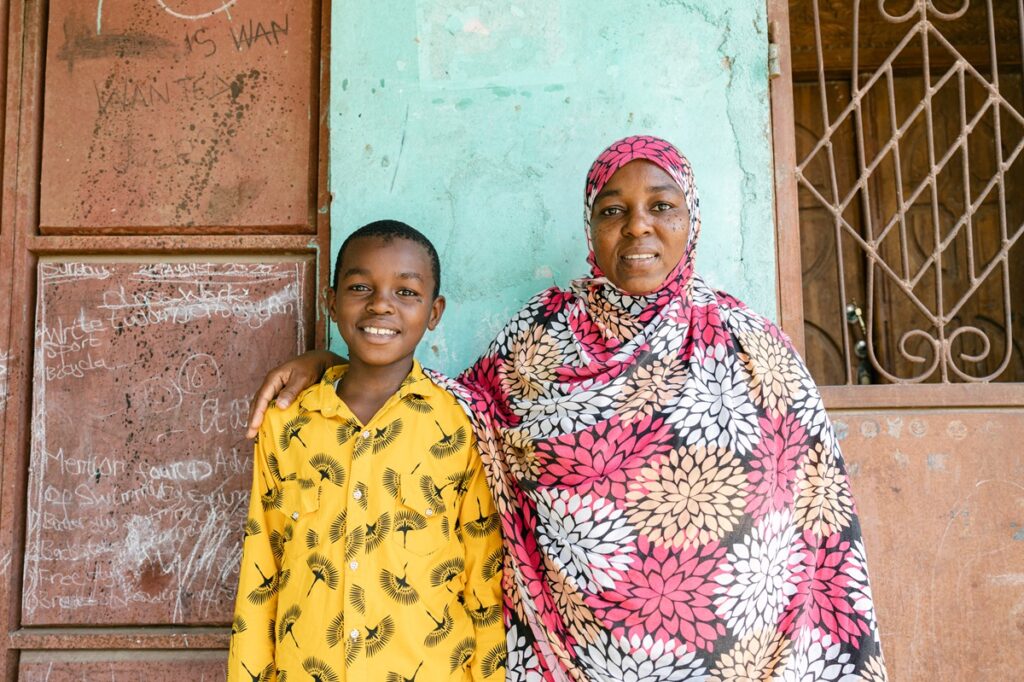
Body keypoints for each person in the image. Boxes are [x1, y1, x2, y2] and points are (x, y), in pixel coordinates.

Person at [247, 137, 886, 680]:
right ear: (591, 227)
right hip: (576, 656)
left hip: (728, 656)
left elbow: (815, 509)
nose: (638, 227)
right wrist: (331, 364)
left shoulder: (750, 344)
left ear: (691, 220)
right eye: (615, 211)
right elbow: (458, 407)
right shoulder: (548, 331)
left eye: (662, 207)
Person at [228, 220, 505, 682]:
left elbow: (486, 583)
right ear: (331, 301)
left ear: (434, 311)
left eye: (406, 292)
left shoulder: (462, 424)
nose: (380, 304)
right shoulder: (288, 421)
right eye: (361, 287)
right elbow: (262, 568)